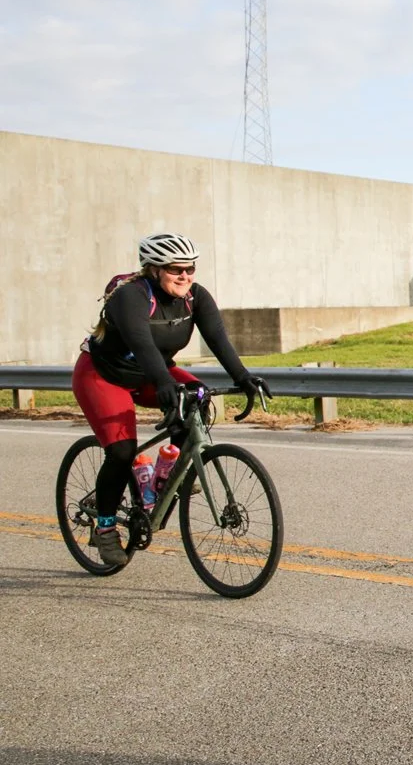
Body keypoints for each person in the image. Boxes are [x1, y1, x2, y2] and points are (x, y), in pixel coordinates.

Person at [71, 233, 269, 567]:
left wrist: (243, 377)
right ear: (153, 269)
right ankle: (104, 528)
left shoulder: (195, 297)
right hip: (104, 376)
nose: (185, 276)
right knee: (121, 451)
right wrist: (163, 382)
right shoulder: (131, 296)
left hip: (153, 372)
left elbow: (218, 339)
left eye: (190, 268)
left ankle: (164, 475)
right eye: (176, 269)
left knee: (198, 397)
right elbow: (141, 342)